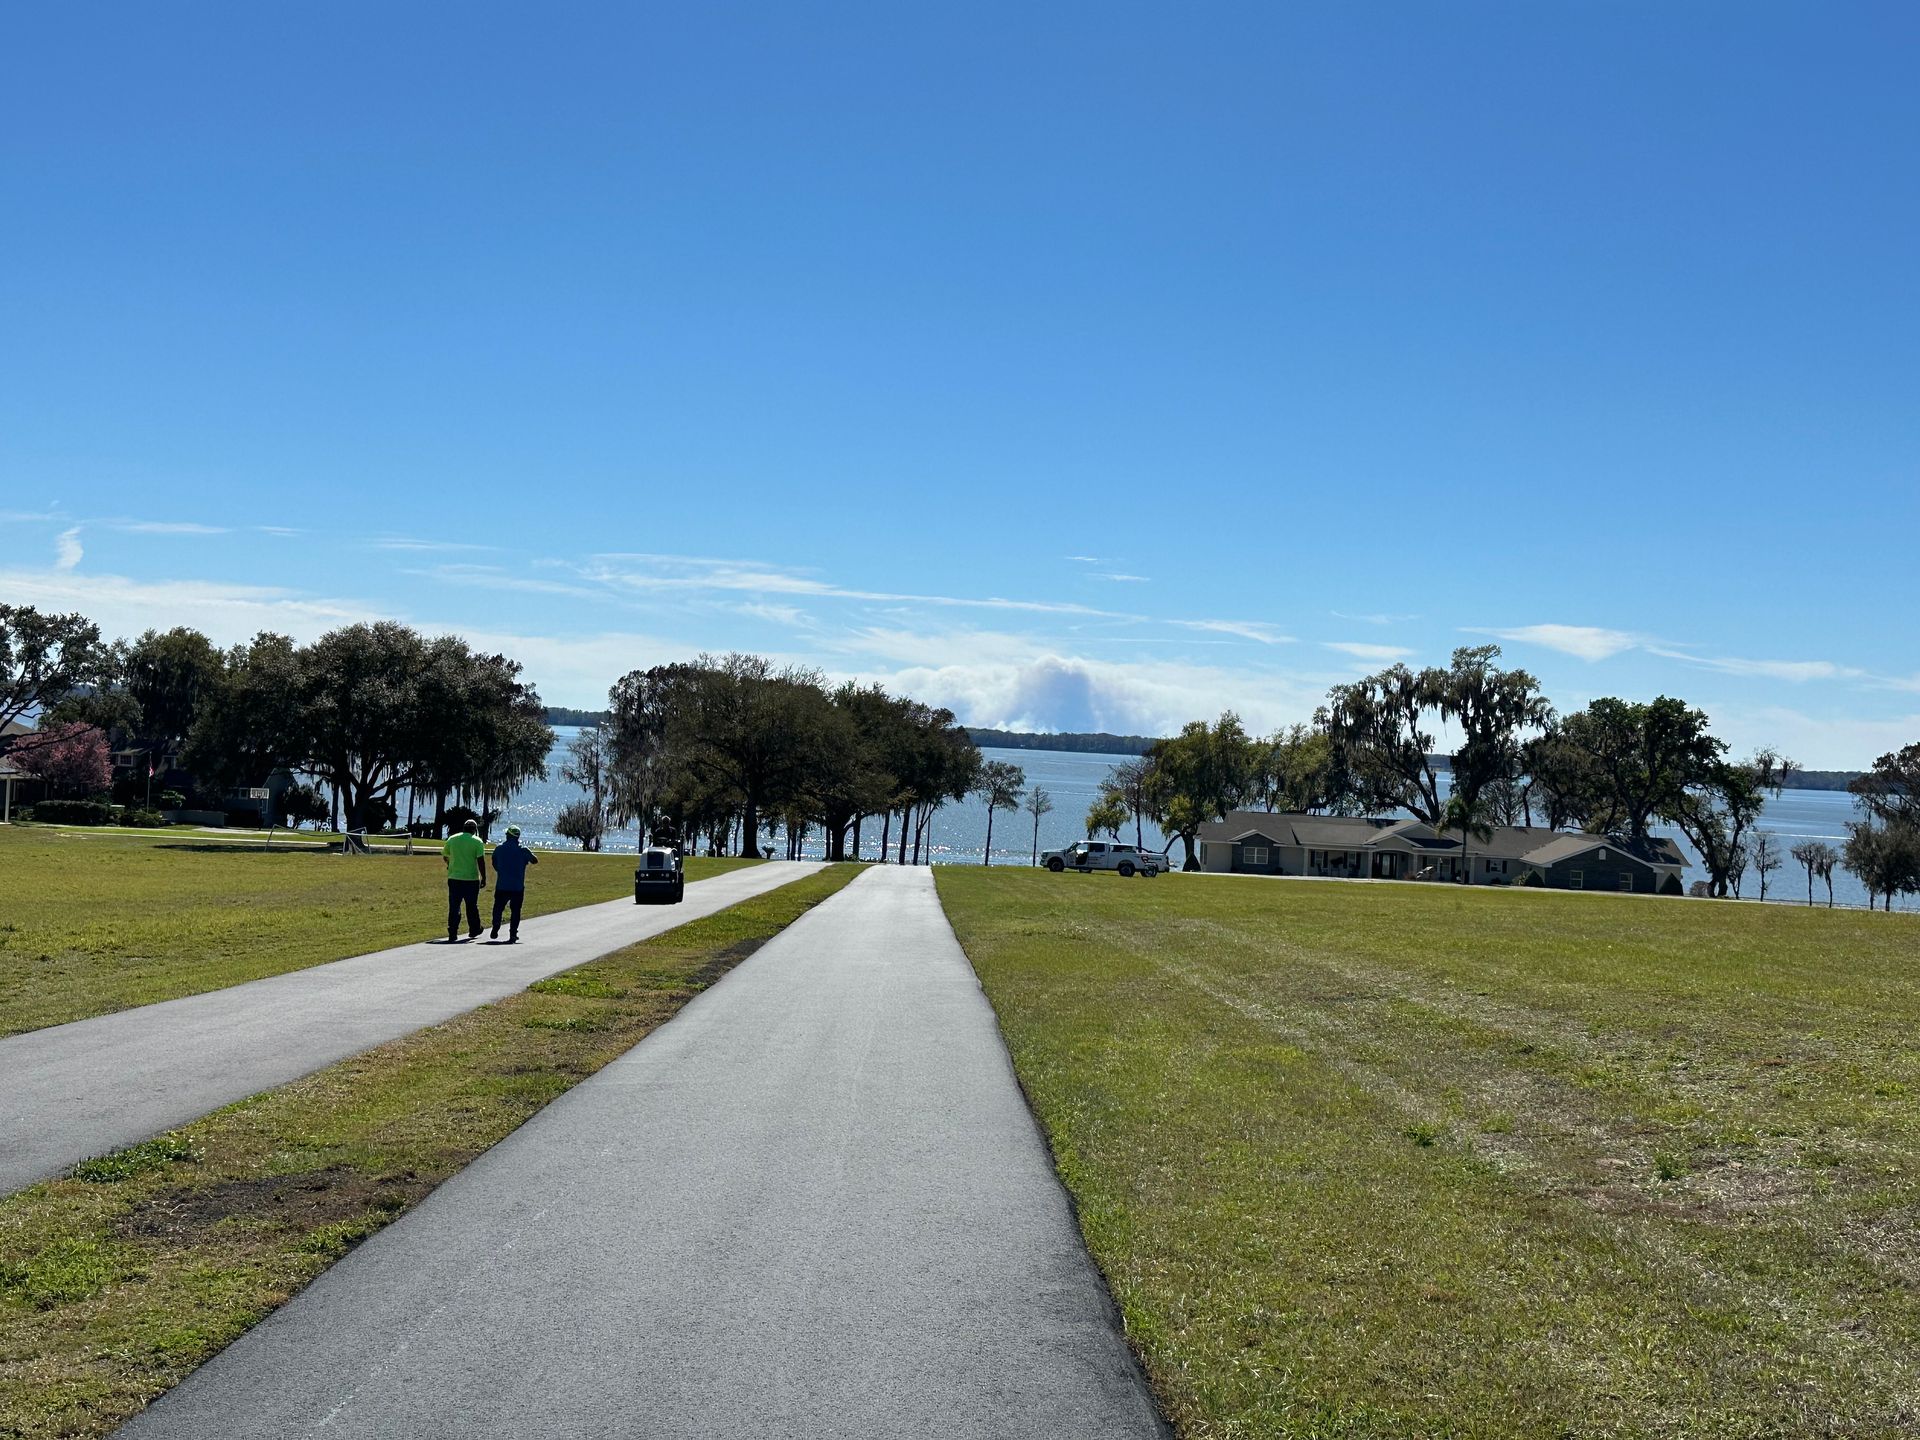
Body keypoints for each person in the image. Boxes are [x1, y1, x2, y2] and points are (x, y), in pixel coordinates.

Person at [489, 824, 540, 942]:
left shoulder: (499, 849)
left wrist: (500, 870)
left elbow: (494, 862)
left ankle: (496, 924)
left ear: (507, 836)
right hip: (517, 886)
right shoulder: (523, 850)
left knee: (498, 908)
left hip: (502, 884)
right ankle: (513, 934)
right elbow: (535, 860)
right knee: (516, 910)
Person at [442, 819, 488, 943]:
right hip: (471, 879)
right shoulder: (477, 841)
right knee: (471, 906)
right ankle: (474, 929)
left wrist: (450, 864)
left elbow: (445, 855)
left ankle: (453, 932)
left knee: (454, 906)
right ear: (474, 829)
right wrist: (483, 877)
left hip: (454, 878)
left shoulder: (452, 839)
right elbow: (480, 861)